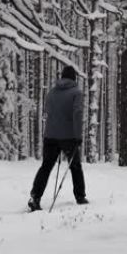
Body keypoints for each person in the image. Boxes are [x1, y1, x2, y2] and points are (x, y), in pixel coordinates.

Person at [28, 66, 88, 211]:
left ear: (62, 77)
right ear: (74, 78)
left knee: (46, 166)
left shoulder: (52, 92)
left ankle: (35, 196)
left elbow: (47, 110)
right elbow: (77, 114)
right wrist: (78, 135)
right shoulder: (76, 93)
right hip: (68, 136)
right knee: (75, 167)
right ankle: (80, 196)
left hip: (50, 136)